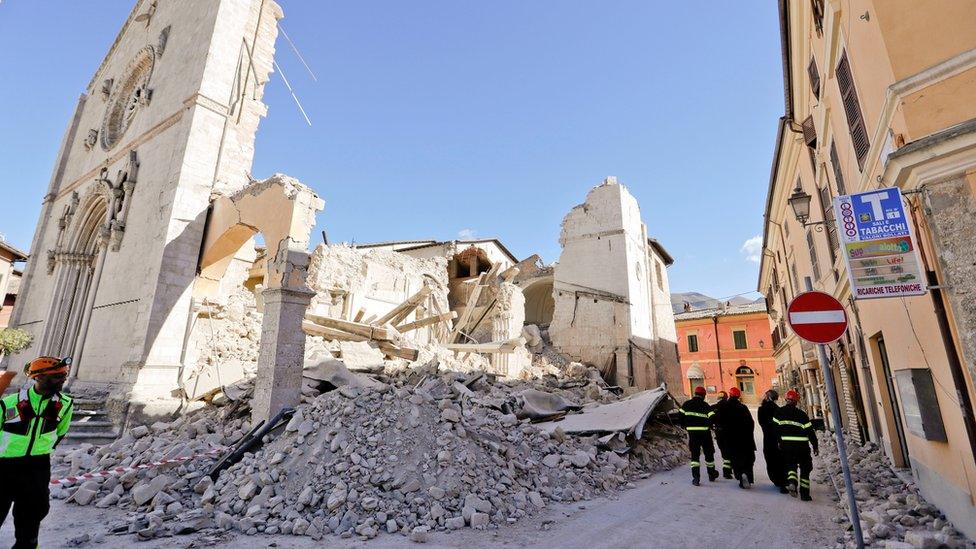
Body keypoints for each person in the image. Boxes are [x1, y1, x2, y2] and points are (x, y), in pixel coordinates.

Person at [0, 356, 74, 548]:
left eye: (64, 375)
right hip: (3, 468)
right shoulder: (9, 403)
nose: (63, 379)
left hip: (37, 468)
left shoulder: (65, 404)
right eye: (57, 375)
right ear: (39, 377)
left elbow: (60, 433)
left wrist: (40, 451)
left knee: (31, 520)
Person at [774, 389, 819, 501]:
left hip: (786, 445)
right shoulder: (802, 415)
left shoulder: (779, 413)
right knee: (805, 468)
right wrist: (815, 445)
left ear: (786, 399)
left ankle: (792, 482)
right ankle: (805, 495)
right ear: (796, 401)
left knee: (790, 466)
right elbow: (810, 431)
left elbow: (775, 429)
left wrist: (778, 441)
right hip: (802, 447)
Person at [679, 386, 719, 486]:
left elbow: (680, 416)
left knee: (695, 457)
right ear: (704, 395)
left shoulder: (686, 404)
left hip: (693, 435)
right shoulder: (706, 406)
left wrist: (685, 425)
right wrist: (711, 426)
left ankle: (696, 478)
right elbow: (713, 418)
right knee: (709, 455)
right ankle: (711, 475)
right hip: (705, 434)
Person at [718, 387, 756, 489]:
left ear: (729, 395)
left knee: (735, 459)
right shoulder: (743, 407)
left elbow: (719, 422)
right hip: (745, 439)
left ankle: (740, 475)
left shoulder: (724, 407)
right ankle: (747, 474)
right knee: (747, 459)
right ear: (738, 396)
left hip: (731, 439)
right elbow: (751, 423)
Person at [758, 389, 787, 492]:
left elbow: (761, 424)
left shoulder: (761, 410)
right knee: (781, 460)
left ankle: (776, 479)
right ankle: (783, 481)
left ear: (767, 397)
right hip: (779, 439)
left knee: (770, 460)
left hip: (768, 439)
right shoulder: (778, 410)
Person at [711, 390, 733, 479]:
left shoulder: (713, 407)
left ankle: (727, 470)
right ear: (726, 398)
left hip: (719, 432)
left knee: (723, 450)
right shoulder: (730, 407)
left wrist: (713, 427)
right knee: (729, 450)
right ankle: (727, 471)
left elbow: (710, 419)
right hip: (729, 432)